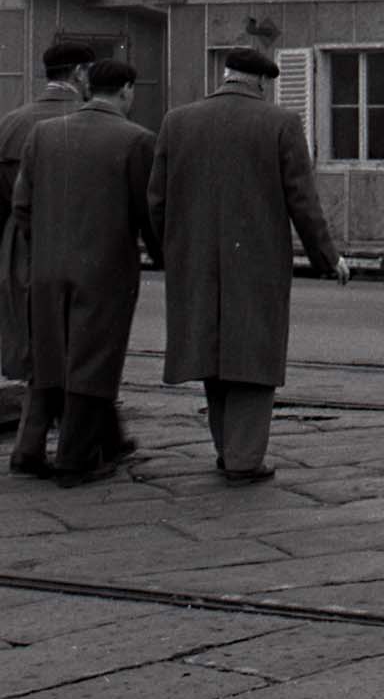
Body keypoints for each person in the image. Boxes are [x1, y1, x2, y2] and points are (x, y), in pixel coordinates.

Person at [147, 46, 350, 484]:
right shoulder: (280, 123)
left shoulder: (177, 121)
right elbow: (302, 201)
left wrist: (173, 254)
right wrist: (327, 257)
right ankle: (243, 458)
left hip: (195, 261)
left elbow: (157, 201)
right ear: (261, 81)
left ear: (226, 75)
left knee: (211, 355)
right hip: (257, 263)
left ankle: (228, 449)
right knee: (253, 359)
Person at [10, 61, 161, 487]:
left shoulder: (44, 134)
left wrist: (45, 246)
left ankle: (92, 444)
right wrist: (162, 255)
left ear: (89, 87)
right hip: (104, 270)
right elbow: (148, 212)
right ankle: (75, 460)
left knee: (53, 356)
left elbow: (22, 206)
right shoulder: (137, 139)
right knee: (94, 361)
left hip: (46, 268)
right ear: (126, 90)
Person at [2, 40, 94, 473]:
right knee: (80, 350)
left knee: (42, 349)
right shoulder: (88, 121)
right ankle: (73, 447)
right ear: (79, 73)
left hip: (19, 248)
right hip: (77, 246)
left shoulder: (11, 122)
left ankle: (32, 443)